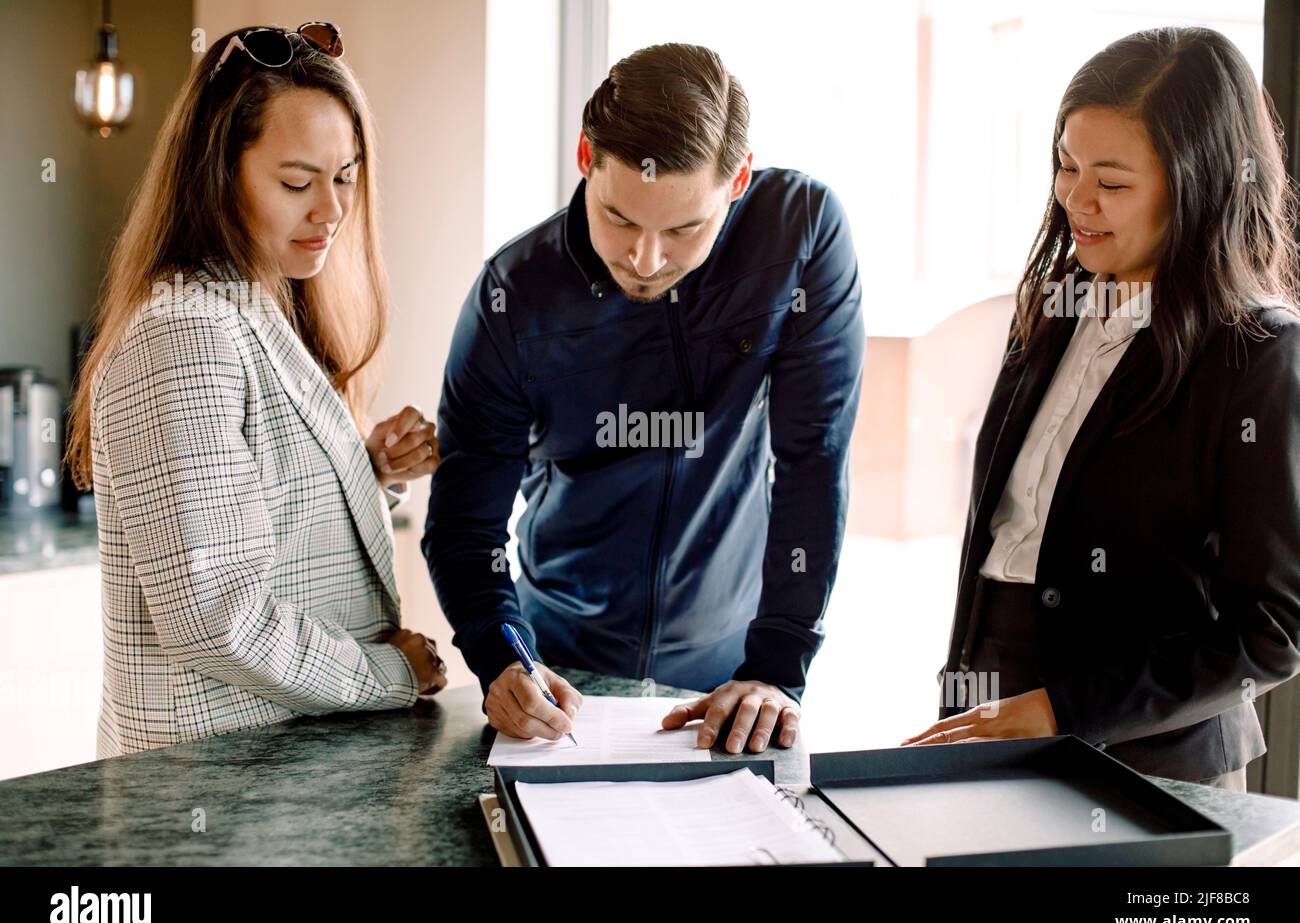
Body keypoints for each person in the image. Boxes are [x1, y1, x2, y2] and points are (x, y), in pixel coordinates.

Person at [423, 43, 865, 754]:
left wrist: (778, 668)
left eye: (685, 228)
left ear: (738, 180)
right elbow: (466, 528)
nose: (646, 259)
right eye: (621, 219)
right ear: (584, 156)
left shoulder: (800, 231)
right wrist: (501, 652)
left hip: (730, 669)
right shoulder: (512, 294)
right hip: (559, 661)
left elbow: (815, 459)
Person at [903, 27, 1300, 791]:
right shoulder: (1054, 303)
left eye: (1112, 183)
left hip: (1150, 763)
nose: (1076, 200)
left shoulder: (1259, 353)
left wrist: (1061, 710)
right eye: (1066, 165)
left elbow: (1273, 632)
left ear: (1201, 183)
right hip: (986, 710)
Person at [66, 22, 447, 756]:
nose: (332, 211)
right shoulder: (184, 334)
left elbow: (255, 518)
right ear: (216, 172)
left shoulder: (259, 305)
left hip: (276, 776)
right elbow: (215, 615)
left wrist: (362, 468)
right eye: (297, 182)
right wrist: (390, 671)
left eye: (345, 177)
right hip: (216, 787)